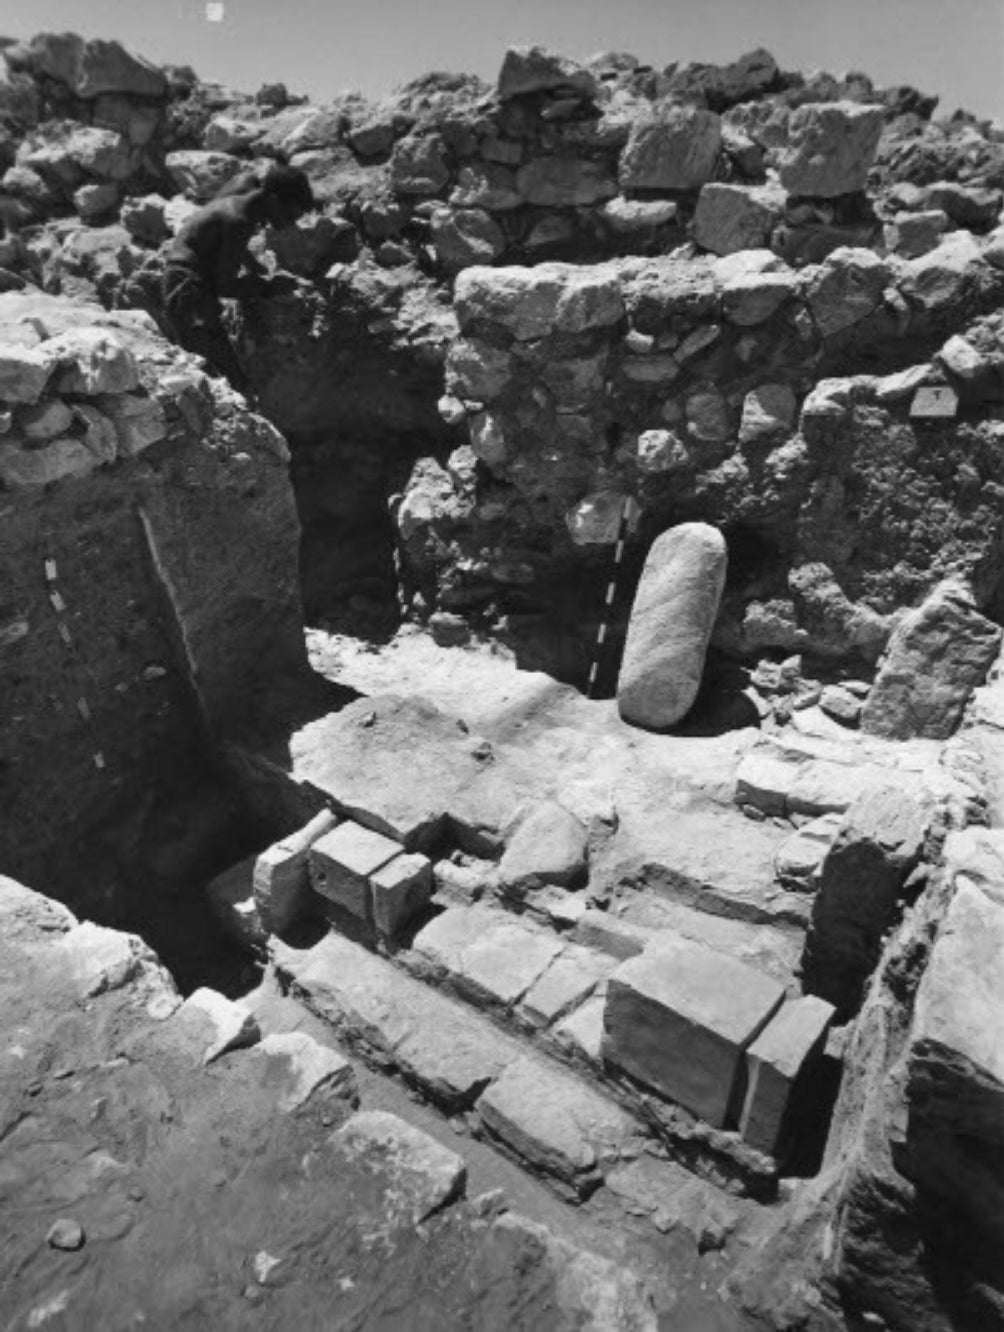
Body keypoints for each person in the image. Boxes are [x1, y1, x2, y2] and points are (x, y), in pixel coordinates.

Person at [161, 164, 314, 396]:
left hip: (185, 276)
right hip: (186, 289)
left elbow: (222, 239)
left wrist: (252, 264)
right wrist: (270, 287)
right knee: (219, 374)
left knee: (214, 369)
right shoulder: (239, 221)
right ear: (273, 199)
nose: (292, 223)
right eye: (291, 214)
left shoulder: (245, 187)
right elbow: (226, 286)